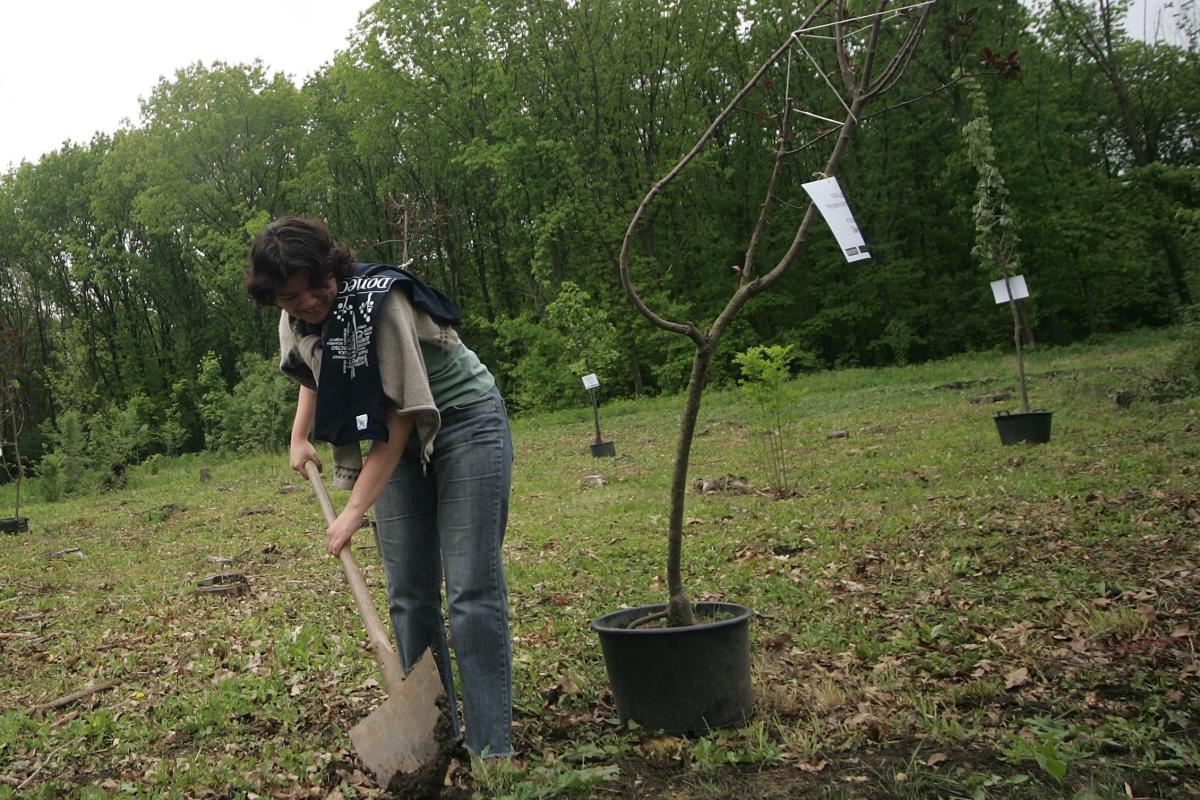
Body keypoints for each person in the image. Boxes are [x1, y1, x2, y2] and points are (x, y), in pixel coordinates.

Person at [244, 216, 514, 759]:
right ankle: (437, 738)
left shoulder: (380, 302)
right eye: (289, 296)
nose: (307, 302)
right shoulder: (293, 316)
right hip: (399, 445)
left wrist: (351, 513)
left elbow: (400, 420)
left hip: (464, 422)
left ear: (331, 266)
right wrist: (299, 436)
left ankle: (492, 750)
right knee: (411, 597)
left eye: (313, 285)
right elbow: (312, 374)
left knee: (469, 591)